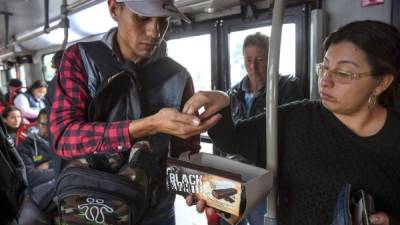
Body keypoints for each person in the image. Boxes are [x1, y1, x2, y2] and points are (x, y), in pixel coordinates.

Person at [183, 20, 400, 225]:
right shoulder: (299, 117)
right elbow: (234, 139)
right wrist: (222, 101)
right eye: (324, 67)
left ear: (381, 82)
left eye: (343, 73)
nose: (325, 80)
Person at [49, 1, 219, 225]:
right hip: (94, 204)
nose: (155, 32)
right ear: (114, 9)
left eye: (163, 20)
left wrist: (199, 187)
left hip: (156, 211)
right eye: (142, 18)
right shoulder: (81, 60)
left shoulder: (178, 76)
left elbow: (184, 152)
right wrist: (149, 125)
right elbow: (64, 137)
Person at [229, 32, 304, 124]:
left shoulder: (287, 87)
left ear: (271, 60)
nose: (253, 66)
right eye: (248, 60)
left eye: (260, 60)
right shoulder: (233, 94)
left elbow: (294, 127)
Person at [17, 108, 56, 225]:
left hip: (63, 186)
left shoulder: (62, 142)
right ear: (38, 123)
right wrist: (60, 169)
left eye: (52, 124)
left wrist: (49, 165)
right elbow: (30, 177)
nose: (49, 128)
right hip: (36, 196)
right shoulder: (25, 147)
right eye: (45, 124)